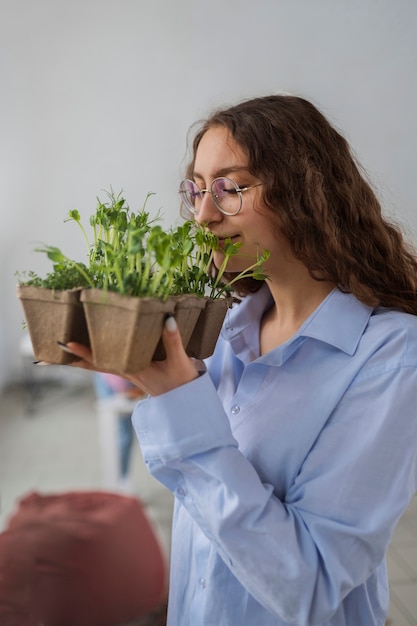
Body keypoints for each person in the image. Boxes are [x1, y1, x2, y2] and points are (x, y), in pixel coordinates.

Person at [62, 95, 417, 626]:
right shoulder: (227, 327)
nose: (203, 215)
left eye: (232, 188)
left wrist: (178, 399)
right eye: (199, 190)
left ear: (307, 190)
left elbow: (313, 586)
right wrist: (150, 377)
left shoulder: (392, 357)